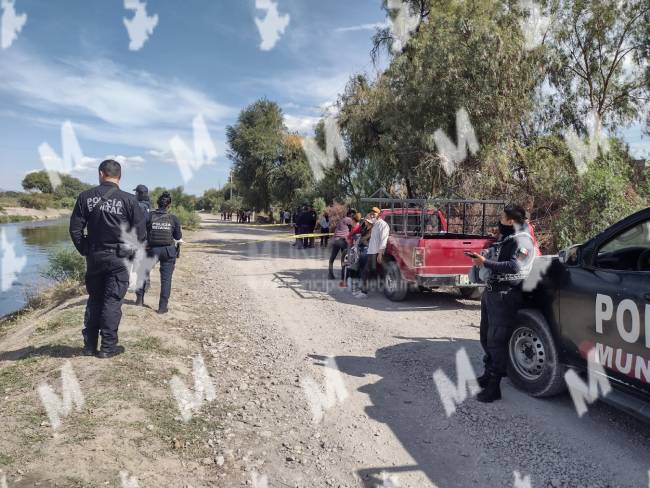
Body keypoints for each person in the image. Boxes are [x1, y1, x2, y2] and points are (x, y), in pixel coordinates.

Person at [69, 159, 146, 358]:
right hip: (119, 258)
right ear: (119, 176)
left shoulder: (85, 197)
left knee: (95, 299)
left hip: (94, 256)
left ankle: (89, 346)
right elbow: (140, 234)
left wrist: (85, 249)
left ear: (101, 173)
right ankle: (107, 348)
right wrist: (128, 251)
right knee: (112, 301)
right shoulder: (130, 200)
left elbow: (75, 229)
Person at [470, 204, 535, 403]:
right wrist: (487, 256)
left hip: (506, 295)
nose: (499, 219)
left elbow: (515, 265)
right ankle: (488, 374)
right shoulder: (508, 237)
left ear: (511, 220)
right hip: (492, 292)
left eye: (502, 217)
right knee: (487, 337)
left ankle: (494, 386)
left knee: (497, 341)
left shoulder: (523, 240)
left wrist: (485, 263)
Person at [135, 191, 182, 314]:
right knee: (166, 280)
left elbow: (140, 231)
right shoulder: (174, 218)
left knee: (143, 273)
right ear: (169, 205)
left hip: (152, 249)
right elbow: (178, 236)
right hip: (168, 251)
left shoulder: (149, 216)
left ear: (157, 203)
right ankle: (162, 307)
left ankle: (139, 299)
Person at [357, 207, 389, 298]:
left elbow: (384, 240)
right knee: (371, 270)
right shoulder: (374, 223)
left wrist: (380, 253)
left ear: (379, 214)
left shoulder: (384, 225)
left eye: (374, 213)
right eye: (371, 213)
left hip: (376, 252)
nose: (372, 215)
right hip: (371, 251)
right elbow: (367, 223)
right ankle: (367, 288)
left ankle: (364, 292)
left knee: (367, 271)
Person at [329, 210, 354, 279]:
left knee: (332, 258)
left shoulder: (341, 220)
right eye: (352, 215)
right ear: (350, 215)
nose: (353, 217)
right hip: (343, 240)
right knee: (344, 258)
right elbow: (355, 226)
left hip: (336, 240)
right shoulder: (348, 219)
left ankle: (330, 274)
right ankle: (343, 276)